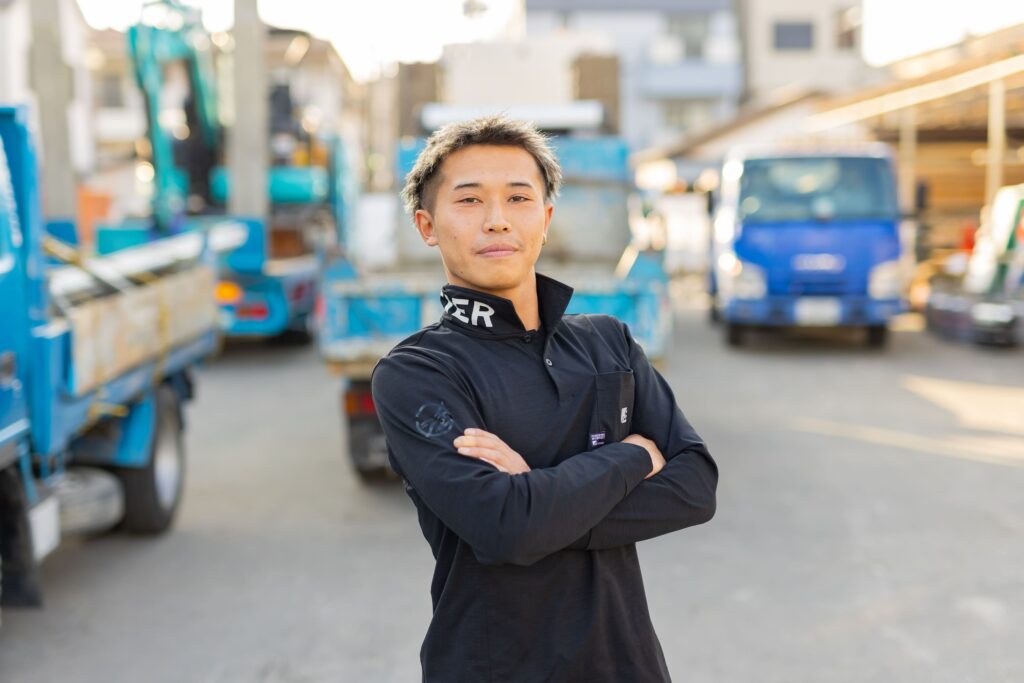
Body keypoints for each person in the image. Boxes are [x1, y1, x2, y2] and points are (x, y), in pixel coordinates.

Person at [371, 115, 718, 682]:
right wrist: (633, 455)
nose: (497, 219)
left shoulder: (609, 342)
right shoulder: (417, 372)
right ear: (427, 226)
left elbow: (696, 486)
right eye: (469, 200)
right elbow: (505, 526)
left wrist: (538, 502)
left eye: (518, 197)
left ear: (546, 219)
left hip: (627, 665)